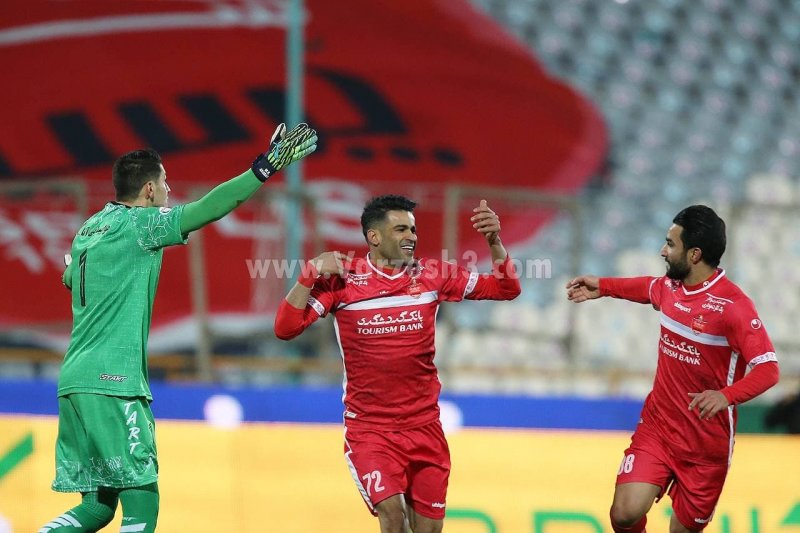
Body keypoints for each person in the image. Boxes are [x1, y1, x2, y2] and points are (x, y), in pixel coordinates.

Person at [39, 123, 317, 533]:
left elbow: (69, 278)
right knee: (142, 507)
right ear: (149, 189)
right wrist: (265, 166)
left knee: (97, 508)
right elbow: (209, 208)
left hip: (75, 381)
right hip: (113, 382)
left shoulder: (89, 230)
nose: (170, 191)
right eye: (166, 183)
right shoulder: (140, 225)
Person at [274, 195, 521, 533]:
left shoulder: (432, 274)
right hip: (371, 431)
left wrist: (494, 242)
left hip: (425, 428)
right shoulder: (344, 280)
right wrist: (309, 273)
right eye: (401, 229)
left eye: (413, 230)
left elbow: (506, 288)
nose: (412, 237)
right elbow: (285, 328)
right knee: (392, 516)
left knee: (428, 530)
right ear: (374, 237)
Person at [566, 205, 779, 533]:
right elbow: (646, 288)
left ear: (694, 255)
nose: (662, 251)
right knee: (624, 513)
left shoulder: (733, 308)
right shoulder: (671, 287)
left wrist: (726, 396)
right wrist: (603, 286)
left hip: (705, 445)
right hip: (659, 427)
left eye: (670, 244)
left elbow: (769, 370)